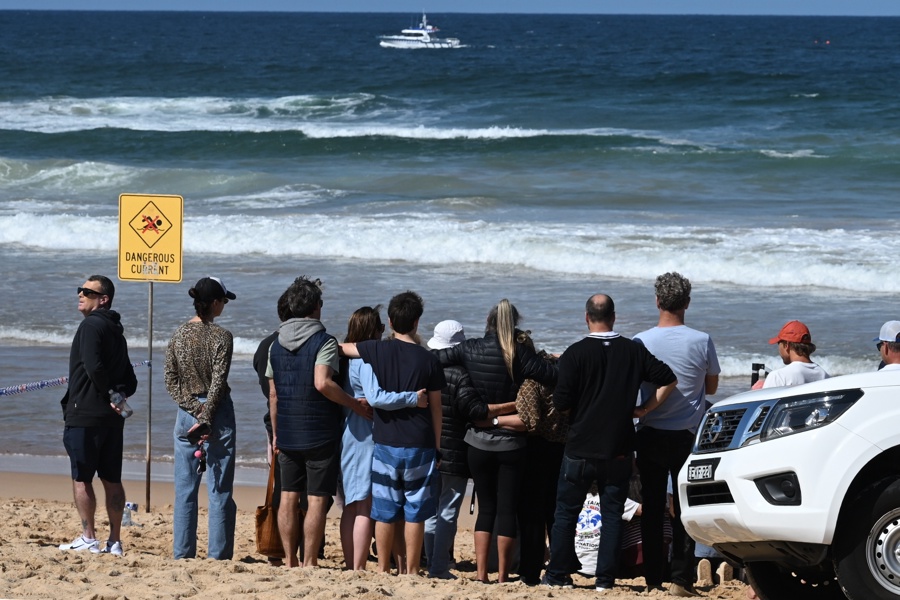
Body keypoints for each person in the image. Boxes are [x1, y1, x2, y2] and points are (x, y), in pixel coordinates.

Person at [542, 294, 677, 592]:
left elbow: (561, 403)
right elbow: (668, 379)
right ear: (614, 317)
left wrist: (582, 407)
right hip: (618, 446)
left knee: (566, 511)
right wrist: (644, 409)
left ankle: (558, 574)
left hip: (580, 445)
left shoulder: (575, 353)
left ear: (586, 317)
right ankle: (605, 580)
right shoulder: (631, 350)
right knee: (612, 513)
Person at [434, 299, 557, 583]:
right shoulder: (519, 354)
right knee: (506, 509)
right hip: (512, 442)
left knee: (486, 508)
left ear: (488, 322)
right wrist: (547, 358)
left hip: (476, 443)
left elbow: (435, 359)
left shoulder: (471, 348)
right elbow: (552, 376)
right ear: (514, 324)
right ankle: (502, 576)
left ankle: (481, 575)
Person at [340, 291, 446, 575]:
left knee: (384, 510)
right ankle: (411, 570)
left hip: (385, 441)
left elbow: (343, 347)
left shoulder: (375, 350)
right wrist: (437, 446)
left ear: (389, 321)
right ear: (417, 321)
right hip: (419, 443)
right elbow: (436, 409)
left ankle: (383, 567)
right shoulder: (429, 360)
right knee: (415, 511)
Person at [267, 276, 369, 568]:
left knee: (288, 496)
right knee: (316, 500)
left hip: (286, 431)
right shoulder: (324, 341)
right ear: (314, 307)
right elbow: (323, 383)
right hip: (319, 433)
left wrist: (276, 433)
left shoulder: (275, 344)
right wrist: (354, 405)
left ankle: (289, 560)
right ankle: (310, 561)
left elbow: (273, 394)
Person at [634, 272, 720, 597]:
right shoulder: (701, 340)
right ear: (687, 302)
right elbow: (711, 386)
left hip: (650, 431)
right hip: (687, 435)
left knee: (653, 508)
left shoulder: (640, 341)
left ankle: (653, 578)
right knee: (684, 508)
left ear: (657, 301)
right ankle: (681, 579)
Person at [59, 276, 138, 556]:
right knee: (111, 479)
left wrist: (110, 394)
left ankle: (89, 536)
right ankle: (114, 541)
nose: (80, 294)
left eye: (87, 291)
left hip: (86, 413)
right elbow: (131, 379)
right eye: (79, 289)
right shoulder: (116, 330)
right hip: (111, 418)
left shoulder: (91, 325)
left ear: (102, 299)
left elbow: (93, 366)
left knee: (82, 478)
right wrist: (119, 395)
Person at [164, 276, 237, 560]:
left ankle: (182, 554)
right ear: (215, 303)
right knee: (219, 489)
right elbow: (218, 383)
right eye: (224, 301)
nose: (224, 306)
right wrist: (205, 415)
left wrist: (193, 409)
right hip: (215, 413)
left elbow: (171, 382)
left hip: (186, 413)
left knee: (185, 489)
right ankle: (217, 557)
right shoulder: (222, 337)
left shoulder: (178, 334)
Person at [423, 319, 477, 580]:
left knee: (430, 509)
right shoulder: (462, 375)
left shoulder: (423, 369)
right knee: (447, 511)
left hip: (426, 447)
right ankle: (439, 567)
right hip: (455, 448)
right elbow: (469, 411)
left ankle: (430, 560)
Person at [254, 288, 292, 565]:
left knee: (280, 484)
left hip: (273, 417)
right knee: (299, 488)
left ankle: (277, 549)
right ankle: (292, 547)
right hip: (294, 420)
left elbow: (266, 391)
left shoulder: (265, 346)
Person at [751, 320, 828, 389]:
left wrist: (756, 393)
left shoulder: (778, 377)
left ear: (786, 345)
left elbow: (764, 404)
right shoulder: (824, 376)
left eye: (779, 343)